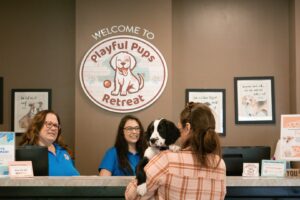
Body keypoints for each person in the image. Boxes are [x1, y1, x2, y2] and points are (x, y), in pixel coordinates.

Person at [125, 102, 226, 199]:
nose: (179, 134)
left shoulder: (167, 160)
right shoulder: (220, 163)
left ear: (187, 128)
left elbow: (131, 196)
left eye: (180, 128)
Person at [19, 110, 80, 176]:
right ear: (37, 127)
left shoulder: (63, 151)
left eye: (56, 125)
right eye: (49, 124)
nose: (53, 128)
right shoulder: (28, 154)